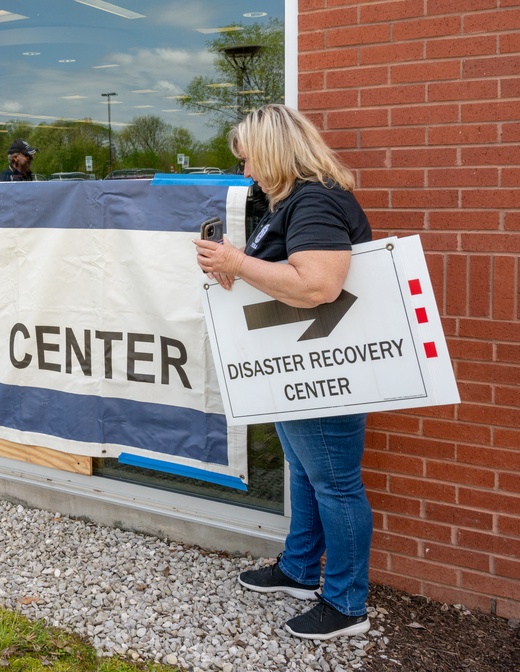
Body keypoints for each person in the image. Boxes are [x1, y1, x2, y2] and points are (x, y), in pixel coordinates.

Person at [194, 104, 374, 641]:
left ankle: (346, 604)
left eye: (248, 160)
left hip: (319, 363)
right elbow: (282, 276)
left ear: (273, 153)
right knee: (304, 473)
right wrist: (237, 270)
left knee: (336, 485)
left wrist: (236, 264)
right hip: (293, 360)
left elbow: (319, 286)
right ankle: (299, 570)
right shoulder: (293, 202)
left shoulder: (314, 201)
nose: (245, 173)